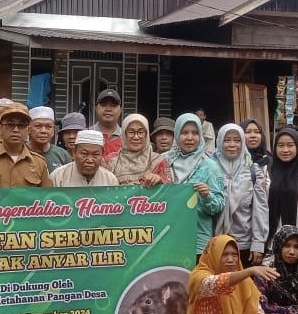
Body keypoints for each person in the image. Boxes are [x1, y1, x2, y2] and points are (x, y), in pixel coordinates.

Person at [162, 113, 224, 256]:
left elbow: (219, 205)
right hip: (166, 238)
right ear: (177, 134)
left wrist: (207, 195)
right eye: (184, 132)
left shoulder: (209, 166)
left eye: (195, 133)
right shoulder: (164, 161)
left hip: (198, 240)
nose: (190, 137)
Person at [213, 124, 269, 267]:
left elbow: (260, 209)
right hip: (214, 242)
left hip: (244, 244)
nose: (232, 145)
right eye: (227, 140)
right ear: (219, 142)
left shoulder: (252, 170)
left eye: (237, 140)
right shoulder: (209, 168)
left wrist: (258, 243)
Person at [267, 128, 298, 252]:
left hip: (296, 244)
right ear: (275, 148)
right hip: (271, 240)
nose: (285, 150)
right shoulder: (267, 173)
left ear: (297, 147)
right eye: (280, 145)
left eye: (290, 145)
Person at [104, 114, 170, 186]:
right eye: (131, 132)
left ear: (146, 134)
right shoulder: (111, 160)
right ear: (124, 134)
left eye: (141, 132)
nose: (136, 137)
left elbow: (170, 190)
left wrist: (159, 179)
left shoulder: (158, 161)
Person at [50, 130, 119, 187]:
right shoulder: (58, 177)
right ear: (74, 152)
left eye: (95, 154)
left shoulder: (110, 179)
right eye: (84, 154)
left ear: (102, 154)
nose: (89, 160)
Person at [27, 106, 71, 172]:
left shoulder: (62, 155)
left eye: (48, 127)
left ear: (53, 130)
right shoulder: (20, 153)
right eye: (38, 126)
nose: (43, 131)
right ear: (29, 129)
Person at [91, 89, 123, 156]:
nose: (108, 109)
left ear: (120, 110)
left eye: (113, 105)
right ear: (96, 109)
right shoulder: (86, 135)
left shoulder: (126, 137)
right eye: (103, 105)